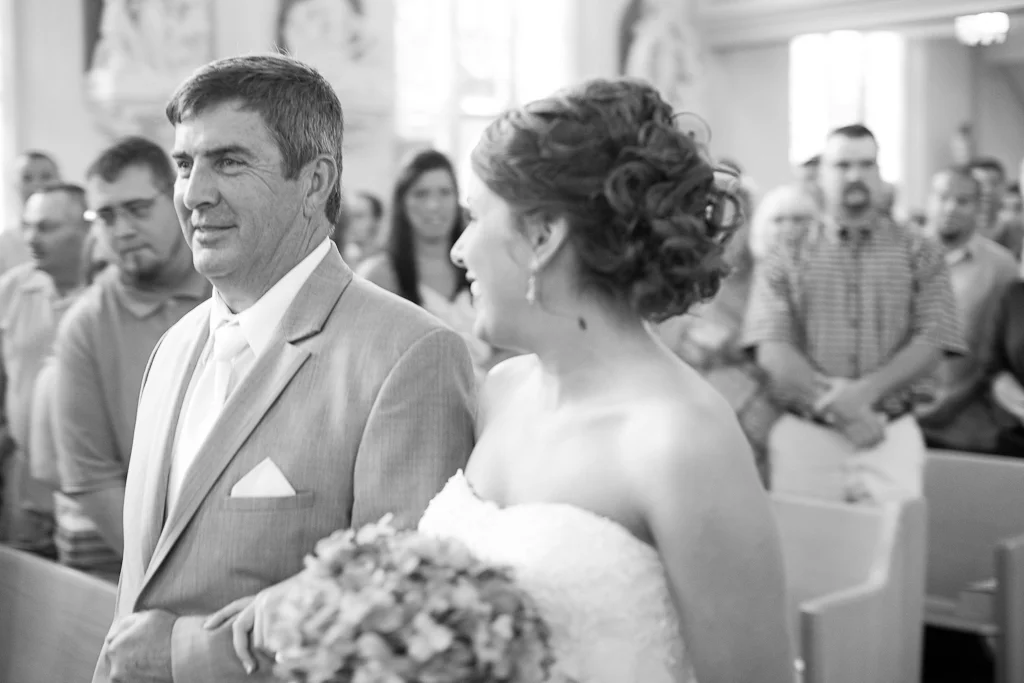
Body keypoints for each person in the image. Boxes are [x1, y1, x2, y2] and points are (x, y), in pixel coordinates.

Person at [91, 54, 475, 683]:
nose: (194, 194)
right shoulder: (174, 347)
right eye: (185, 165)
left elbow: (404, 620)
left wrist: (184, 654)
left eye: (229, 162)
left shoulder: (409, 355)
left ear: (315, 180)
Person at [745, 124, 965, 504]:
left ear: (879, 173)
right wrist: (839, 409)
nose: (854, 175)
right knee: (805, 542)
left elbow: (934, 338)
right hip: (806, 438)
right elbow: (771, 348)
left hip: (889, 436)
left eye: (866, 164)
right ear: (822, 174)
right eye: (842, 165)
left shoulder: (920, 249)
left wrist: (863, 395)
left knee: (896, 541)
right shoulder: (787, 251)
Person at [55, 136, 211, 561]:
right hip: (144, 557)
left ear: (178, 199)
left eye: (138, 209)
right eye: (106, 216)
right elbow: (92, 478)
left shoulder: (232, 289)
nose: (122, 231)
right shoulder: (86, 325)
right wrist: (164, 569)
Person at [359, 149, 511, 379]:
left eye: (444, 192)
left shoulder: (485, 263)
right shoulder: (378, 275)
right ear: (402, 202)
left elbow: (514, 343)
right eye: (420, 194)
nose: (433, 205)